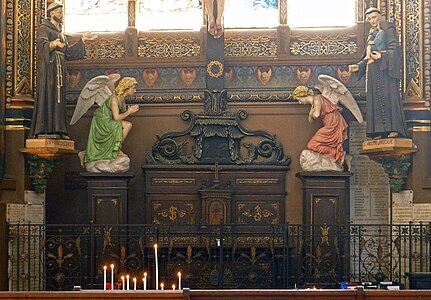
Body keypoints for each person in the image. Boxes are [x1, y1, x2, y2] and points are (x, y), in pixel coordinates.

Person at [29, 1, 96, 139]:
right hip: (49, 68)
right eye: (59, 12)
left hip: (60, 67)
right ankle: (45, 130)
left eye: (62, 12)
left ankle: (59, 129)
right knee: (49, 94)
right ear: (51, 13)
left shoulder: (61, 32)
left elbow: (68, 53)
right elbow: (41, 47)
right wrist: (53, 44)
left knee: (58, 98)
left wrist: (82, 40)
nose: (61, 15)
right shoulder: (44, 28)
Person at [349, 7, 408, 139]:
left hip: (386, 71)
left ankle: (394, 129)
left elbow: (394, 50)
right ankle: (378, 131)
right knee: (375, 99)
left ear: (380, 16)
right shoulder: (371, 34)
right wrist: (358, 66)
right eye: (369, 19)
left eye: (374, 17)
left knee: (388, 98)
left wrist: (381, 56)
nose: (372, 21)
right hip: (373, 72)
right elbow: (367, 55)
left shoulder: (388, 29)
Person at [83, 77, 139, 165]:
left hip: (108, 119)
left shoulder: (121, 99)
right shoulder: (114, 99)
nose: (135, 91)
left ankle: (116, 148)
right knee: (127, 125)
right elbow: (116, 117)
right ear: (126, 88)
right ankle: (116, 148)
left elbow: (122, 113)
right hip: (102, 121)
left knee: (127, 125)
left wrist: (128, 111)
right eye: (133, 88)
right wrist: (129, 112)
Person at [292, 85, 349, 167]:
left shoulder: (317, 98)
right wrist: (312, 111)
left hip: (333, 124)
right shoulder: (314, 103)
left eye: (299, 100)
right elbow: (310, 121)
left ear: (302, 95)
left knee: (312, 145)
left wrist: (312, 111)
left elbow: (316, 115)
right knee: (313, 145)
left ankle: (339, 154)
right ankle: (341, 155)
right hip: (331, 123)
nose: (300, 102)